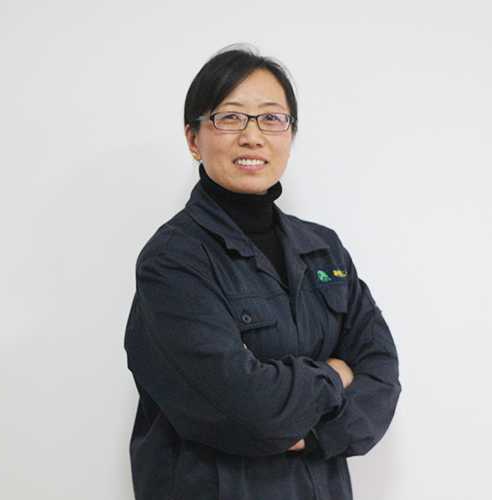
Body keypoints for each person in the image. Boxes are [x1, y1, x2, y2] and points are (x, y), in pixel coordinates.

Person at [124, 43, 402, 500]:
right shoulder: (173, 261)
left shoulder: (324, 250)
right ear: (193, 138)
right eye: (230, 117)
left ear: (290, 134)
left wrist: (313, 434)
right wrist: (334, 374)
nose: (252, 136)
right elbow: (244, 409)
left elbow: (382, 374)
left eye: (272, 118)